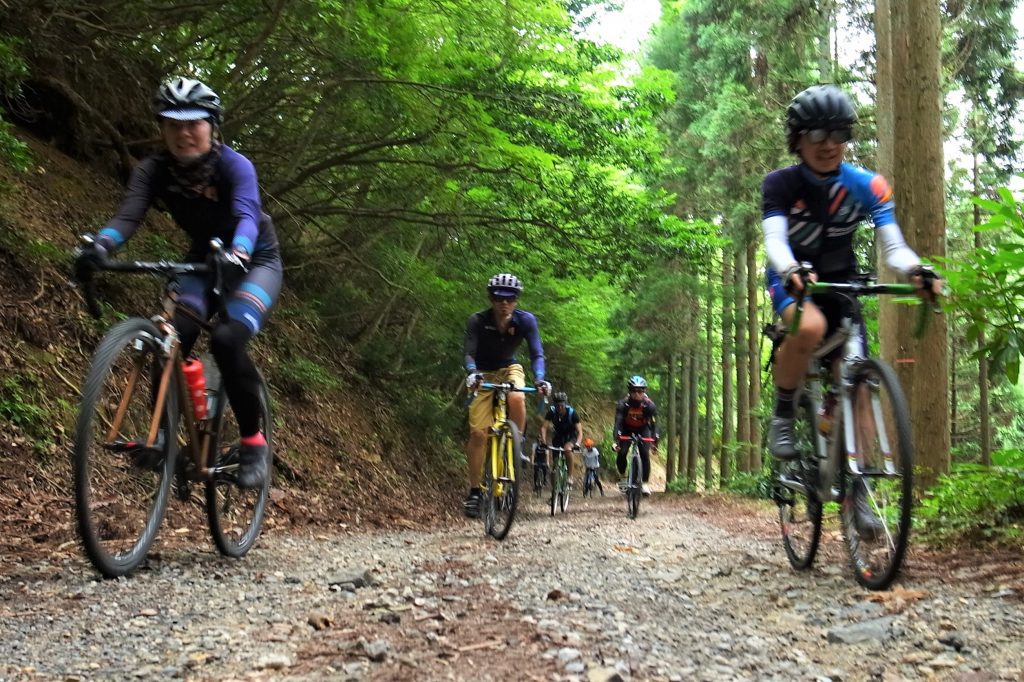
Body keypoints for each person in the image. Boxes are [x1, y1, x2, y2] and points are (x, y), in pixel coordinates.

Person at [75, 77, 282, 489]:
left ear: (213, 126)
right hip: (203, 259)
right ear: (161, 128)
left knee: (226, 340)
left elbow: (247, 215)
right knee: (174, 332)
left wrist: (239, 251)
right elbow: (128, 215)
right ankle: (166, 435)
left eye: (194, 123)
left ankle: (254, 442)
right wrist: (100, 246)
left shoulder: (235, 166)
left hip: (255, 258)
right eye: (172, 124)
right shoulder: (152, 170)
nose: (183, 133)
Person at [762, 84, 942, 535]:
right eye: (817, 134)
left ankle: (858, 494)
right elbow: (775, 242)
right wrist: (791, 270)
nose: (829, 144)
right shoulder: (780, 184)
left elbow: (894, 248)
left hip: (842, 285)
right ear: (798, 139)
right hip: (793, 279)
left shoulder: (867, 185)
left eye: (839, 133)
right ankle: (783, 416)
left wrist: (917, 270)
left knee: (859, 384)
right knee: (808, 328)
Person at [463, 273, 550, 518]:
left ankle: (516, 443)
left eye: (510, 298)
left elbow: (536, 353)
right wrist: (472, 372)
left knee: (517, 397)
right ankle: (475, 492)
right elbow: (469, 352)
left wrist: (540, 378)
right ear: (491, 299)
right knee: (478, 434)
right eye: (499, 297)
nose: (504, 303)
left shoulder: (526, 321)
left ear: (516, 300)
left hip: (509, 368)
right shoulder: (478, 321)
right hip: (482, 374)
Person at [612, 376, 659, 496]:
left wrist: (655, 442)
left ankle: (645, 484)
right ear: (629, 391)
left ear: (644, 392)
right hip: (626, 429)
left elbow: (654, 425)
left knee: (644, 454)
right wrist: (616, 440)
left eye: (640, 391)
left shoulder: (649, 406)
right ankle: (623, 477)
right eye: (634, 391)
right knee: (622, 453)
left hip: (643, 429)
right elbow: (618, 423)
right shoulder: (623, 405)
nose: (637, 394)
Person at [540, 391, 582, 484]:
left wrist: (578, 443)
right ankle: (555, 479)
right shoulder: (551, 412)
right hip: (558, 436)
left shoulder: (572, 413)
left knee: (567, 449)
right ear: (554, 405)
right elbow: (544, 428)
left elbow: (579, 431)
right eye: (557, 405)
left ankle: (570, 476)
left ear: (565, 404)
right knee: (555, 459)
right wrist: (543, 442)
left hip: (571, 436)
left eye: (562, 405)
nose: (559, 407)